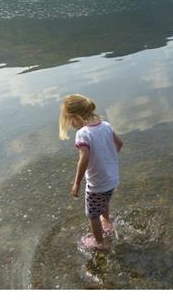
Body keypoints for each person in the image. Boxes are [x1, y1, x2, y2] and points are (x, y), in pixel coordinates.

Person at [59, 94, 123, 251]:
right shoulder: (106, 125)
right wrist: (107, 160)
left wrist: (77, 183)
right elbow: (119, 143)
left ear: (76, 116)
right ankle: (107, 223)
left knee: (93, 215)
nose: (72, 124)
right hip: (112, 179)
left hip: (96, 184)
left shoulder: (83, 134)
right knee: (104, 201)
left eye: (70, 120)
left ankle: (100, 243)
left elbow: (84, 158)